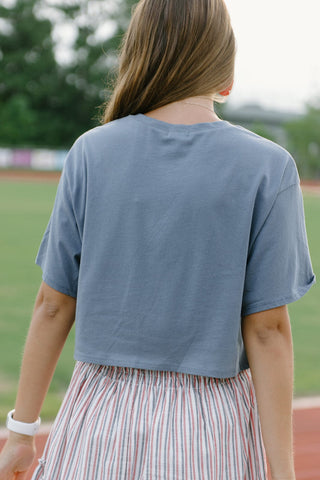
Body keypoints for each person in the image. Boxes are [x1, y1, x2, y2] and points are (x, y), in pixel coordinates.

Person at [0, 0, 316, 478]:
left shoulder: (91, 152)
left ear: (140, 55)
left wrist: (22, 433)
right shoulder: (269, 167)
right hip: (213, 428)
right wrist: (284, 473)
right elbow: (268, 330)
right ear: (223, 68)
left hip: (99, 420)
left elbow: (52, 303)